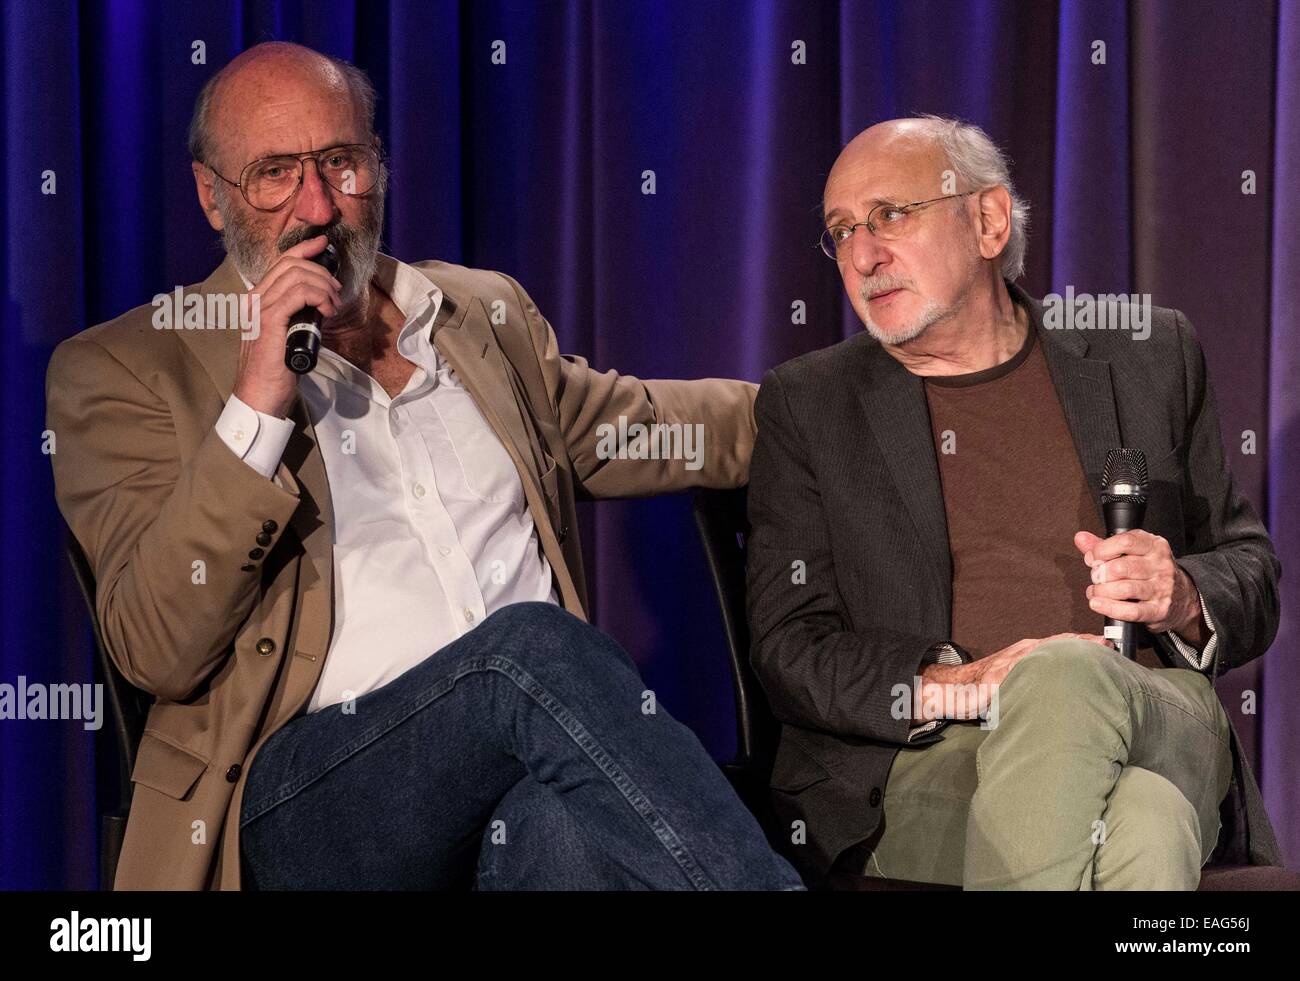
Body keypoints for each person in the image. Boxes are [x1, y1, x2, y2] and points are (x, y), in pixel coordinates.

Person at [46, 41, 801, 892]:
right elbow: (157, 647)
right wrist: (256, 403)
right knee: (526, 651)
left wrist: (846, 404)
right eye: (274, 173)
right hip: (310, 791)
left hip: (523, 762)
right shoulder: (127, 368)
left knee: (556, 827)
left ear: (380, 166)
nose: (318, 204)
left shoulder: (477, 315)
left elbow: (652, 425)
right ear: (211, 196)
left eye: (340, 162)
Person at [746, 115, 1283, 889]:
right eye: (841, 231)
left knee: (1065, 675)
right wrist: (958, 681)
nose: (864, 253)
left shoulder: (1149, 357)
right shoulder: (810, 405)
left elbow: (1252, 570)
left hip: (1155, 713)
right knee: (1146, 822)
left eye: (891, 215)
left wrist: (1183, 593)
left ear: (989, 220)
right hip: (934, 758)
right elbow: (790, 646)